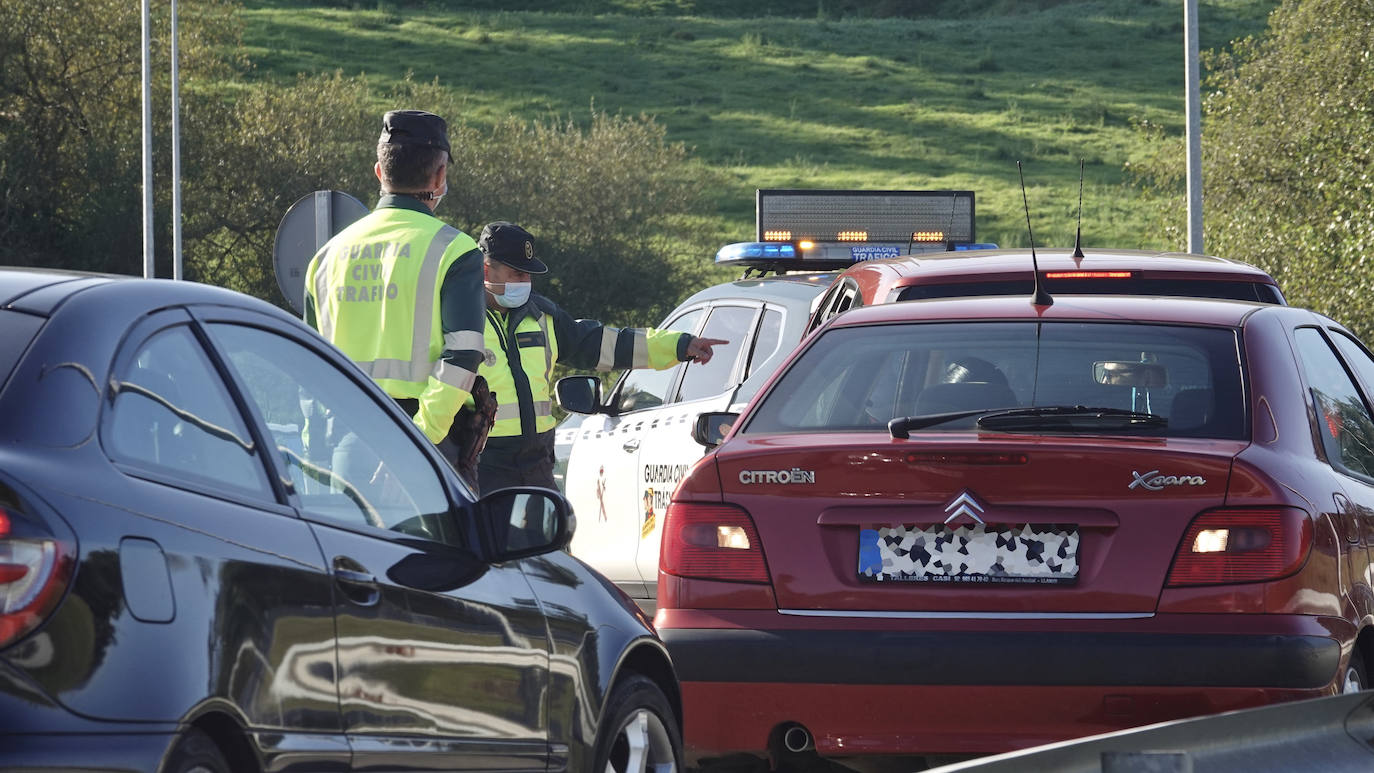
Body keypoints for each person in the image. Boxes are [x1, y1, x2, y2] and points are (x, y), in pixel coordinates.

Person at [303, 109, 489, 481]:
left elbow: (307, 369)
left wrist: (315, 454)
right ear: (440, 176)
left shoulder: (325, 258)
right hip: (428, 446)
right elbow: (463, 356)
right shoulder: (455, 251)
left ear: (379, 173)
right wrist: (418, 443)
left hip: (344, 444)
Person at [475, 221, 726, 492]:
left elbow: (603, 344)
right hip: (479, 464)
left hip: (536, 462)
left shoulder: (542, 316)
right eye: (516, 274)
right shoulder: (457, 319)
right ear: (486, 270)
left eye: (528, 275)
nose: (525, 282)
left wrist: (678, 345)